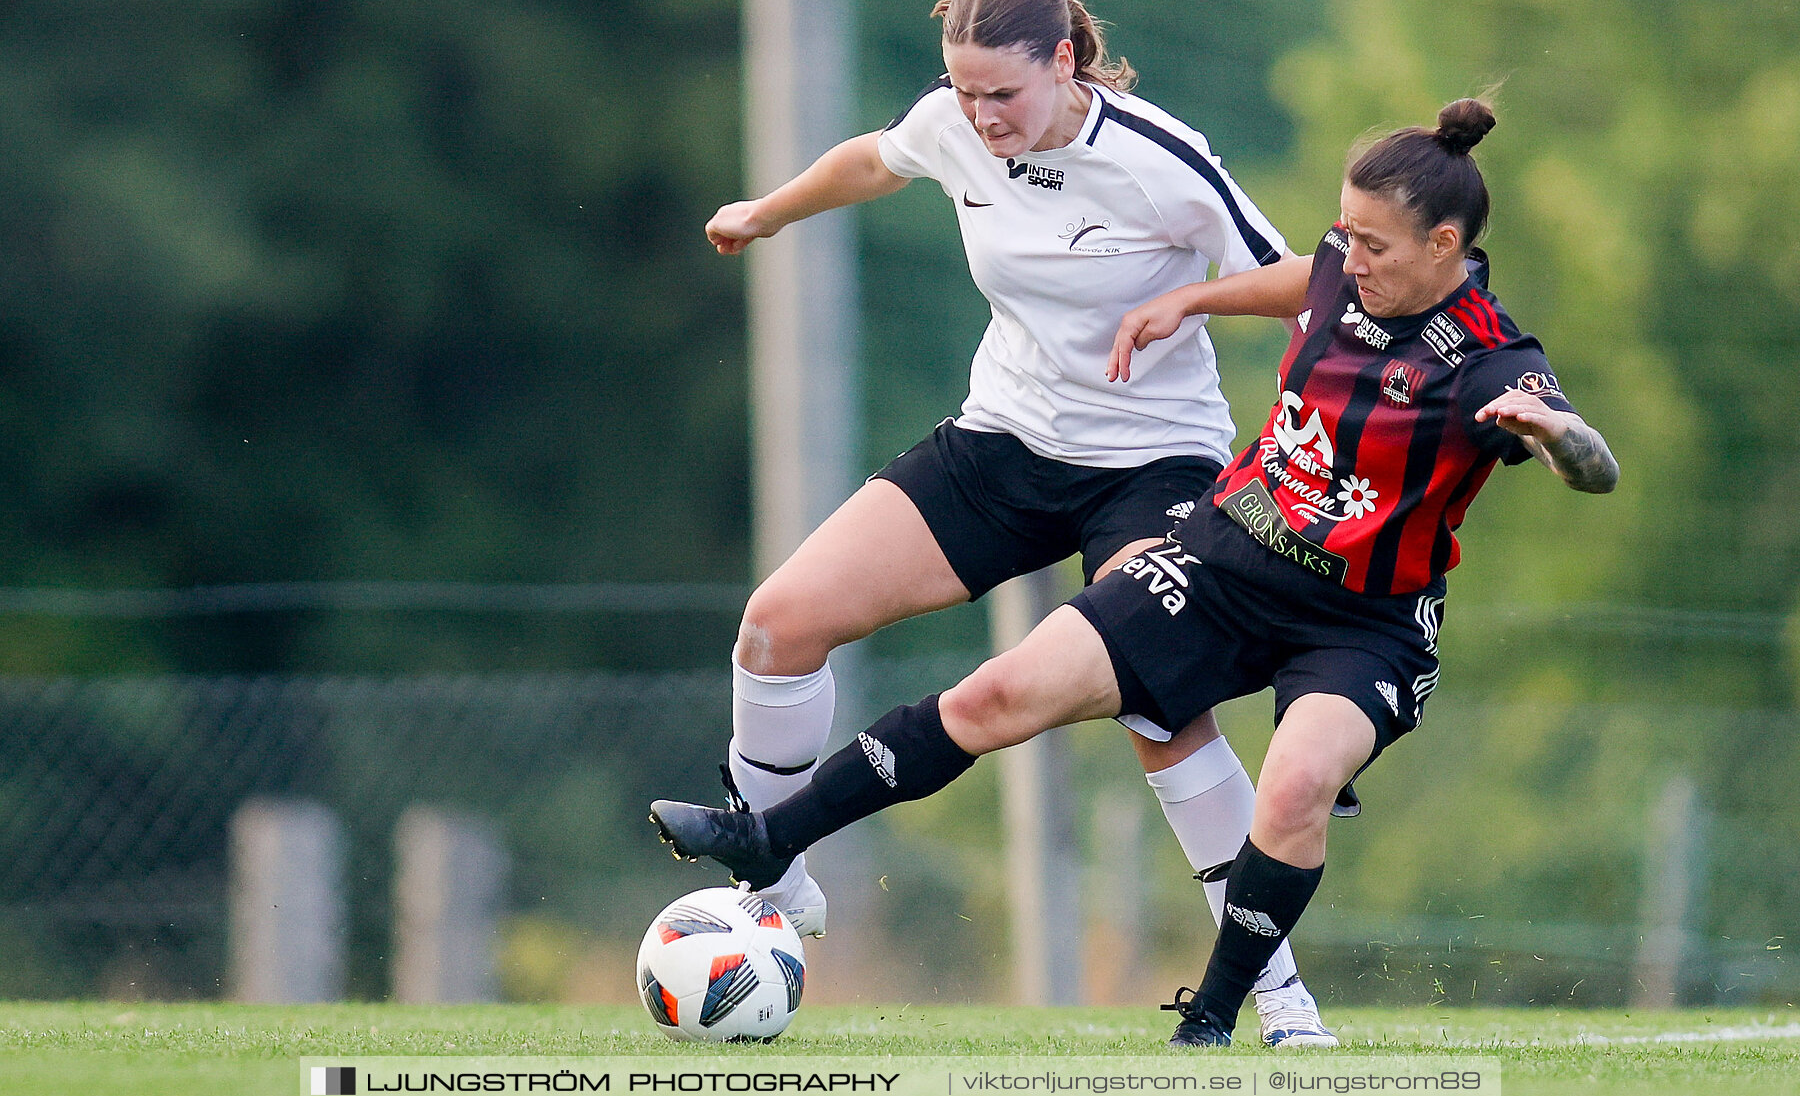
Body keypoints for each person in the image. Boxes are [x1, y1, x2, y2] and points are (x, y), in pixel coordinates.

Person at [654, 97, 1619, 1046]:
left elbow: (1591, 460)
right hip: (1223, 561)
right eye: (1344, 234)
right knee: (997, 693)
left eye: (1375, 245)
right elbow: (1296, 282)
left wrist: (1557, 437)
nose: (1347, 256)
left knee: (1290, 789)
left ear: (1445, 245)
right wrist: (1189, 297)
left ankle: (1224, 1014)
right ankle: (771, 838)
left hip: (1359, 625)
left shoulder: (1493, 361)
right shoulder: (1341, 274)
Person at [703, 0, 1334, 1044]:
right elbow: (875, 159)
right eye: (963, 90)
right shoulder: (952, 121)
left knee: (1161, 713)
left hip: (1155, 465)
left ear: (1066, 59)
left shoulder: (1161, 158)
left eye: (1003, 92)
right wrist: (768, 210)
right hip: (1002, 442)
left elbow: (1303, 281)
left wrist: (1237, 349)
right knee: (776, 624)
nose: (979, 114)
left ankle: (1277, 992)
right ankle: (778, 879)